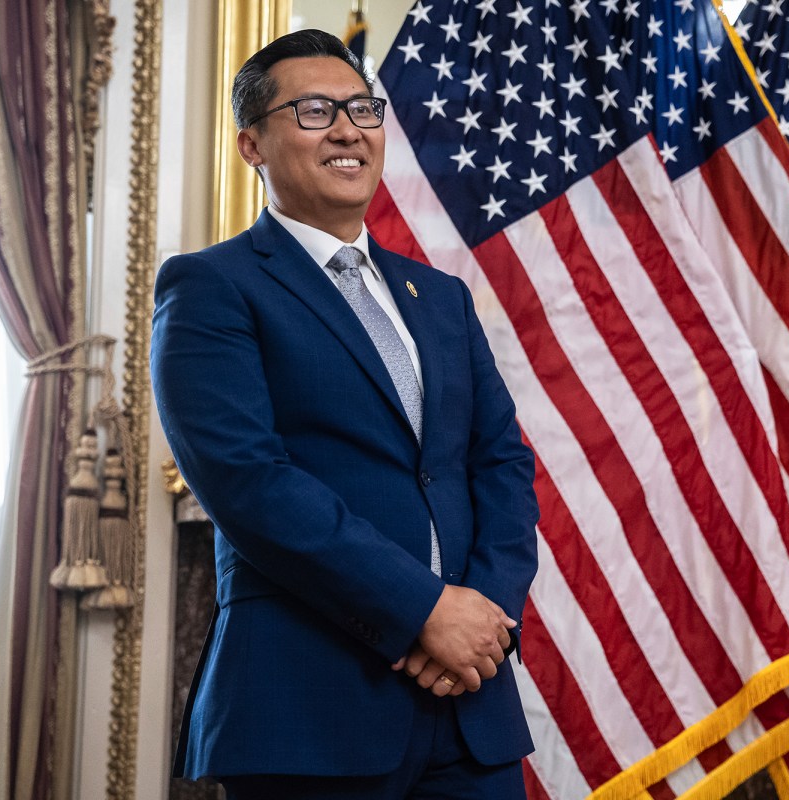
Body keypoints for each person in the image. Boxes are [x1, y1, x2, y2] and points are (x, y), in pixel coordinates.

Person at [150, 29, 539, 800]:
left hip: (469, 702)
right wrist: (422, 610)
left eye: (362, 108)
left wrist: (480, 619)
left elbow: (501, 463)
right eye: (315, 109)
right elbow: (250, 484)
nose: (347, 129)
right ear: (252, 145)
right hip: (305, 706)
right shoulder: (209, 287)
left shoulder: (443, 299)